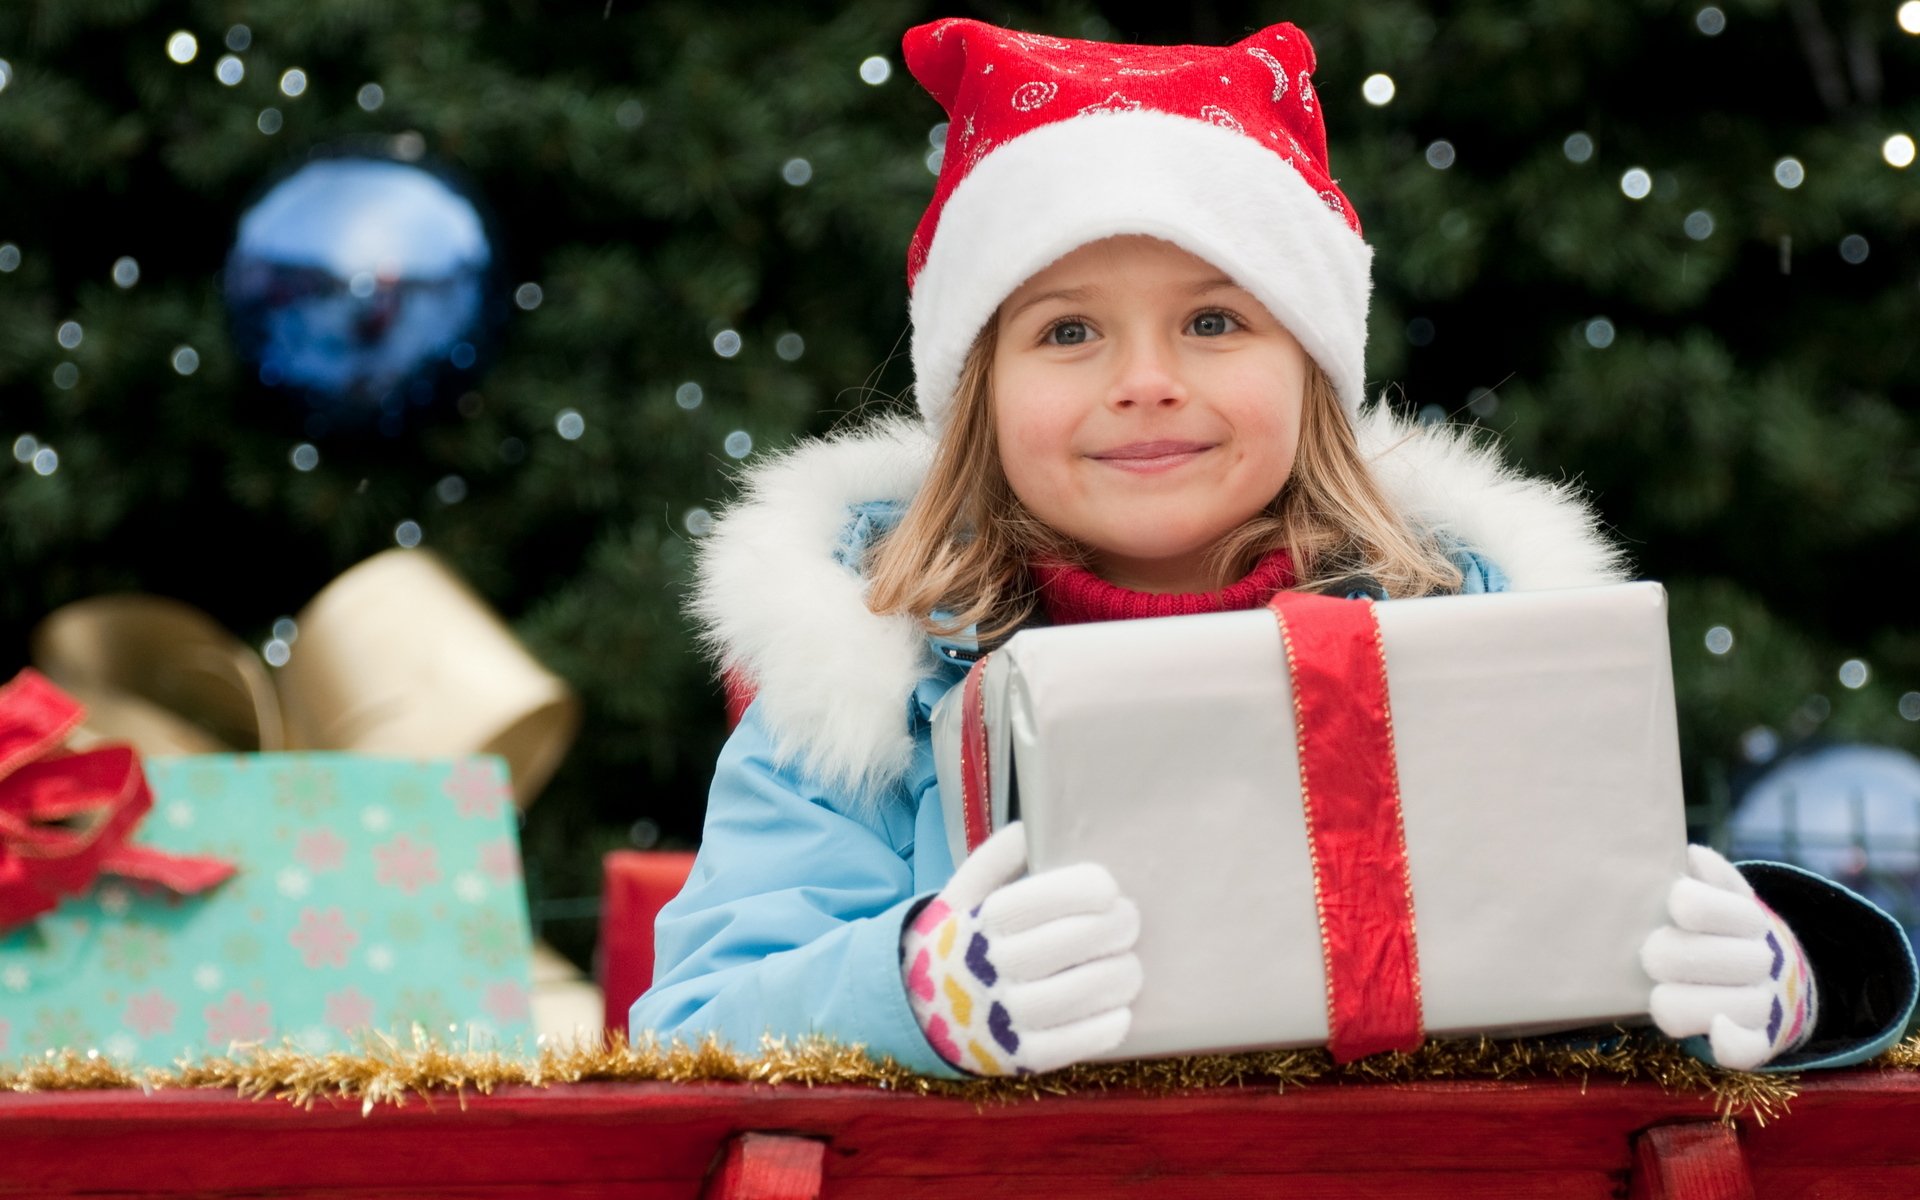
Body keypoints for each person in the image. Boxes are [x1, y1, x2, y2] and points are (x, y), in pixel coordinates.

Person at [632, 17, 1915, 1078]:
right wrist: (913, 991)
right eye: (1069, 333)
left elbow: (1597, 961)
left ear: (1313, 371)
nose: (1144, 381)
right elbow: (689, 1023)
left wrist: (1778, 973)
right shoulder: (865, 694)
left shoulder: (1471, 645)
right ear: (976, 390)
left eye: (1213, 320)